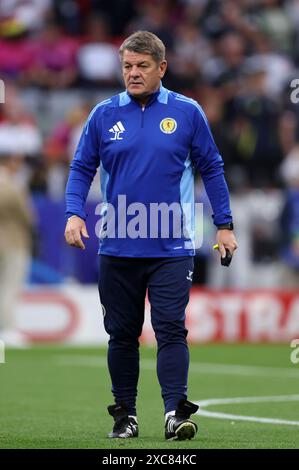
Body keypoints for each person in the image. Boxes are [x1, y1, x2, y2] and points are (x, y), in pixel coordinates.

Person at [65, 30, 237, 440]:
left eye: (142, 66)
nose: (134, 73)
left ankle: (175, 413)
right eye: (127, 66)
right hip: (118, 242)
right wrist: (73, 213)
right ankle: (125, 416)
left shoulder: (188, 112)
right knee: (121, 335)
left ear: (162, 67)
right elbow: (80, 168)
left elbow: (211, 167)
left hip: (171, 244)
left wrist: (225, 225)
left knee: (171, 329)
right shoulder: (103, 114)